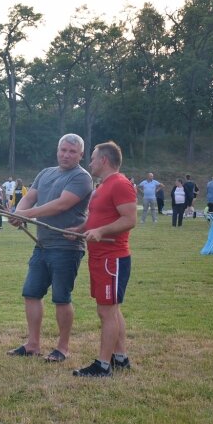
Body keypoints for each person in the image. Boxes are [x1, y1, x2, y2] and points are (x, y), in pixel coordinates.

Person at [7, 133, 93, 362]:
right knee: (31, 293)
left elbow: (60, 205)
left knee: (61, 297)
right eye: (63, 150)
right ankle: (33, 344)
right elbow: (30, 197)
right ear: (57, 150)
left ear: (81, 155)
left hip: (67, 247)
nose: (66, 155)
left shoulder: (82, 178)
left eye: (72, 152)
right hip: (42, 245)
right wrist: (18, 213)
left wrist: (25, 214)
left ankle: (63, 348)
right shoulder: (46, 173)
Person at [67, 141, 136, 377]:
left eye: (93, 158)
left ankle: (103, 365)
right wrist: (79, 229)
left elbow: (129, 219)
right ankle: (120, 358)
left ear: (104, 160)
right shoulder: (102, 187)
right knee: (111, 310)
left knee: (107, 312)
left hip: (112, 258)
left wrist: (101, 232)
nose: (90, 163)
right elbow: (96, 219)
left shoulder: (120, 184)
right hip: (100, 257)